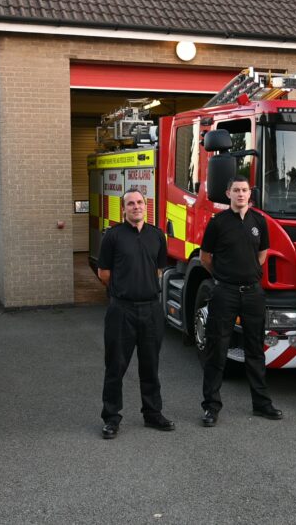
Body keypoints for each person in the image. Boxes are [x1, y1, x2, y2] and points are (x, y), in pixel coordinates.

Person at [199, 175, 282, 426]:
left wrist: (248, 275)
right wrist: (225, 278)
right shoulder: (218, 222)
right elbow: (205, 257)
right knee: (217, 349)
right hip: (225, 293)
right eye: (236, 190)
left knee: (256, 349)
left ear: (250, 194)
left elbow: (262, 253)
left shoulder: (260, 221)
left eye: (244, 190)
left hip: (253, 293)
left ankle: (261, 404)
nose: (241, 194)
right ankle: (211, 407)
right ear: (228, 194)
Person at [97, 188, 173, 439]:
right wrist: (126, 291)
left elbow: (159, 270)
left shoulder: (157, 236)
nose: (136, 207)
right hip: (122, 310)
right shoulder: (113, 236)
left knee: (150, 365)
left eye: (140, 202)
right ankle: (111, 418)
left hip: (150, 309)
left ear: (146, 206)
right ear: (123, 209)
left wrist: (143, 289)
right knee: (115, 366)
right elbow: (104, 274)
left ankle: (152, 414)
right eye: (130, 203)